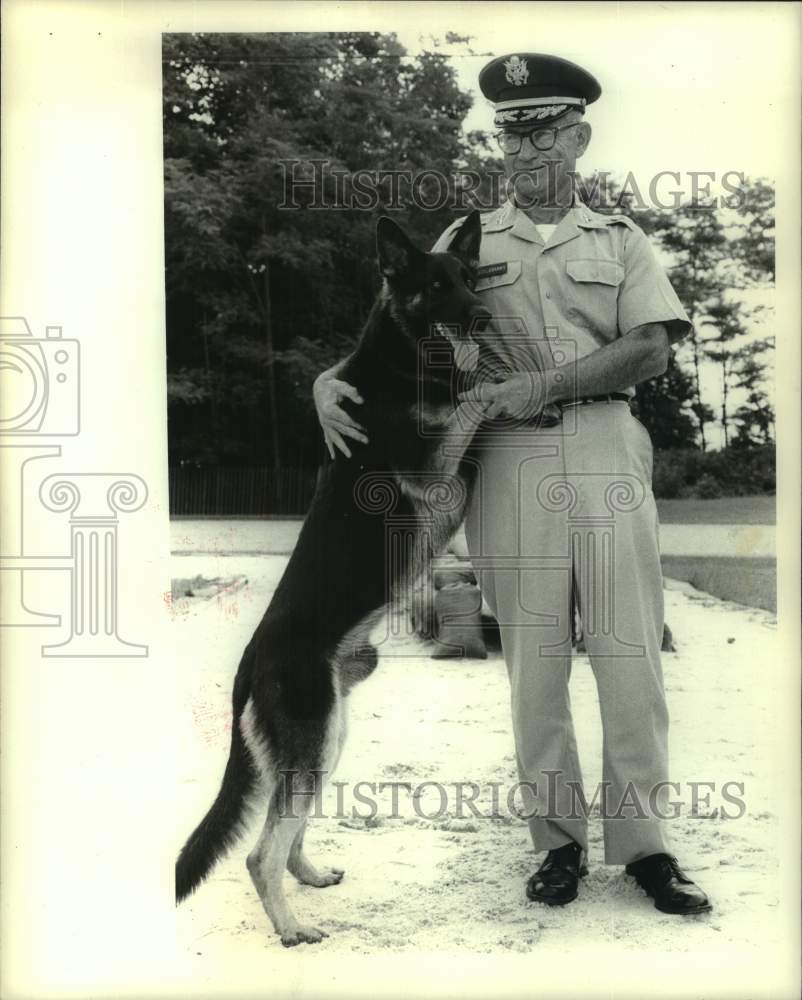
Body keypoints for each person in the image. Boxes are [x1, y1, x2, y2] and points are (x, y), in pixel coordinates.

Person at [313, 52, 711, 916]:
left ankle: (646, 849)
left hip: (607, 444)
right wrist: (325, 380)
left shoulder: (620, 240)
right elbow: (392, 328)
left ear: (579, 137)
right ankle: (557, 847)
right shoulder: (467, 241)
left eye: (541, 132)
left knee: (628, 656)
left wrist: (536, 384)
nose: (524, 150)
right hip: (507, 461)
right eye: (511, 133)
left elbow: (650, 348)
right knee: (534, 664)